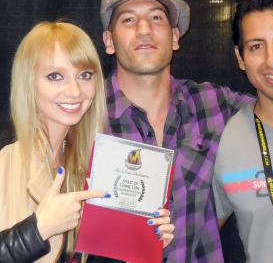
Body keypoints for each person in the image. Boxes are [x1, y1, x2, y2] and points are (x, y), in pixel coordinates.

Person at [100, 0, 253, 262]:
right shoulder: (84, 115)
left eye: (156, 17)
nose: (144, 29)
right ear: (109, 41)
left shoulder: (214, 105)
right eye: (129, 20)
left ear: (174, 36)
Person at [0, 21, 174, 262]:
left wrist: (142, 243)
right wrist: (38, 230)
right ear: (28, 82)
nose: (74, 91)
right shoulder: (5, 155)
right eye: (55, 76)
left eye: (84, 75)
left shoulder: (90, 162)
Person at [213, 0, 273, 262]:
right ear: (241, 59)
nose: (272, 61)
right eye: (256, 46)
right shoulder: (225, 136)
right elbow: (196, 237)